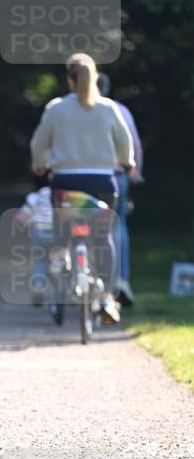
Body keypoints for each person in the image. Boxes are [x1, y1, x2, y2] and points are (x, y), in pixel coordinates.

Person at [30, 53, 135, 325]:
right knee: (104, 239)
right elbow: (125, 144)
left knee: (62, 234)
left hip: (66, 184)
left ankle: (61, 260)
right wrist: (127, 162)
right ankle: (105, 298)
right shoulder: (109, 108)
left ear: (69, 79)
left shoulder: (56, 108)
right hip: (102, 185)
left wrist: (40, 163)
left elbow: (38, 145)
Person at [97, 72, 143, 307]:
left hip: (79, 177)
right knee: (117, 224)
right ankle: (121, 280)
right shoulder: (119, 110)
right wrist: (134, 172)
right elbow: (133, 144)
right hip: (116, 175)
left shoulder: (68, 108)